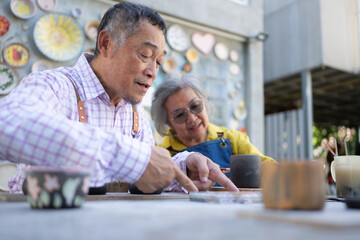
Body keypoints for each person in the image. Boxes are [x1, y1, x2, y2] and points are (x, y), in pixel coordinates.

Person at [0, 2, 238, 194]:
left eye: (158, 62)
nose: (153, 72)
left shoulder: (135, 116)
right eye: (145, 55)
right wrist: (128, 157)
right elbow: (7, 122)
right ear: (106, 43)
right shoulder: (55, 86)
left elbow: (146, 175)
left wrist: (184, 166)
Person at [151, 72, 277, 183]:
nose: (192, 118)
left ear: (205, 103)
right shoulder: (163, 153)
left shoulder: (232, 139)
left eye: (195, 106)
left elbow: (266, 166)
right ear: (168, 123)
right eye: (179, 115)